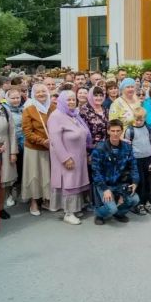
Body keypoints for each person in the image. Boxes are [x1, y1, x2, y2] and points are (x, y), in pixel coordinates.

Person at [47, 90, 91, 225]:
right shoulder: (56, 116)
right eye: (68, 100)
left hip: (79, 156)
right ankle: (68, 213)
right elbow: (55, 141)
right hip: (67, 158)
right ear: (61, 101)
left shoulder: (74, 114)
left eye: (73, 99)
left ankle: (74, 208)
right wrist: (65, 158)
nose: (72, 102)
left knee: (75, 182)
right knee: (69, 184)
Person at [91, 119, 140, 225]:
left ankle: (119, 213)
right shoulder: (99, 148)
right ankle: (99, 214)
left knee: (135, 199)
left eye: (118, 131)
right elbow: (95, 171)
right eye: (112, 131)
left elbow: (133, 166)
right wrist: (105, 189)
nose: (115, 133)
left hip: (120, 183)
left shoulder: (127, 147)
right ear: (108, 131)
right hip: (104, 184)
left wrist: (135, 182)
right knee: (111, 209)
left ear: (122, 131)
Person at [21, 84, 55, 216]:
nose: (41, 94)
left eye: (43, 91)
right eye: (37, 92)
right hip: (34, 148)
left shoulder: (53, 107)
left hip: (50, 148)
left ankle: (46, 198)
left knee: (47, 175)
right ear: (33, 94)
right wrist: (42, 141)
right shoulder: (29, 109)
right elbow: (27, 131)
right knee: (34, 175)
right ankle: (34, 201)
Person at [0, 83, 18, 221]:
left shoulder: (5, 110)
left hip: (4, 150)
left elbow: (12, 132)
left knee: (1, 184)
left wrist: (13, 152)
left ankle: (0, 208)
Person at [124, 108, 151, 215]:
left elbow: (150, 143)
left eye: (140, 120)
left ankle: (146, 201)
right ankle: (139, 204)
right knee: (139, 182)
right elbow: (127, 148)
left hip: (147, 158)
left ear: (144, 119)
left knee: (147, 181)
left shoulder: (148, 128)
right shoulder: (129, 130)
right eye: (136, 120)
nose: (138, 122)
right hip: (136, 160)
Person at [4, 88, 24, 206]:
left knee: (20, 170)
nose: (16, 100)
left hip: (23, 144)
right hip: (11, 145)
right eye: (13, 98)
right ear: (7, 99)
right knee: (11, 171)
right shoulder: (5, 111)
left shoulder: (22, 109)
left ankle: (20, 192)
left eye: (18, 98)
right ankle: (9, 195)